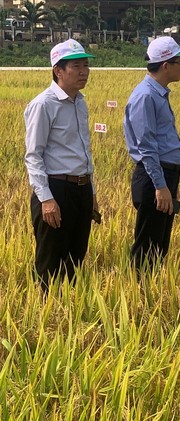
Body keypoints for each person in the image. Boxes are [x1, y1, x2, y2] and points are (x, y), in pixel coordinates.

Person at [24, 39, 98, 291]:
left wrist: (92, 193)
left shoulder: (80, 102)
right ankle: (46, 315)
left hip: (81, 188)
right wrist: (46, 199)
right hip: (56, 189)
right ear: (58, 70)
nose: (84, 72)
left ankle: (69, 313)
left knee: (75, 259)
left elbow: (84, 151)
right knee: (50, 261)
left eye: (86, 66)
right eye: (76, 66)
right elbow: (34, 156)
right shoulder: (43, 104)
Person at [123, 37, 180, 270]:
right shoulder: (145, 96)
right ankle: (140, 293)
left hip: (164, 175)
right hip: (155, 176)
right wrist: (160, 185)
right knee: (148, 245)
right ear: (165, 65)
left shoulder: (158, 93)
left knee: (160, 244)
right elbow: (147, 146)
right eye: (179, 61)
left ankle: (152, 289)